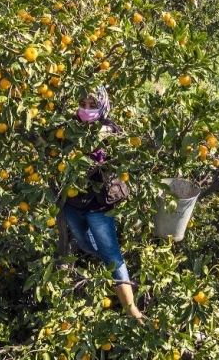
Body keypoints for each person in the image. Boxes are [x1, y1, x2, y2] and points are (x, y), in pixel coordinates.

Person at [62, 85, 143, 321]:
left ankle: (131, 309)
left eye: (93, 105)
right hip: (73, 202)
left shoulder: (111, 130)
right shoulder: (70, 129)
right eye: (83, 104)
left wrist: (104, 142)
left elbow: (124, 162)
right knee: (86, 244)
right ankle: (110, 276)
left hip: (99, 206)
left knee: (112, 254)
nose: (86, 110)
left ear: (103, 106)